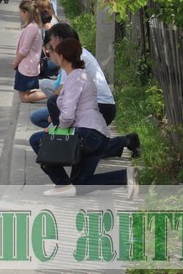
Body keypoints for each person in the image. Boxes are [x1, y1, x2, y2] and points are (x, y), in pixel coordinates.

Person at [29, 38, 139, 197]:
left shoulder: (75, 78)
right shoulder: (80, 75)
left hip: (86, 135)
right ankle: (126, 177)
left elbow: (67, 116)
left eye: (55, 53)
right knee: (80, 186)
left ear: (62, 57)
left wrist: (56, 129)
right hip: (97, 135)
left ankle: (62, 185)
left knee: (36, 140)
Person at [13, 0, 43, 102]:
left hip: (27, 65)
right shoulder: (34, 26)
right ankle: (52, 92)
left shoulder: (31, 28)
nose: (20, 14)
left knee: (24, 97)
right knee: (24, 95)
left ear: (26, 13)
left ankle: (52, 92)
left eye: (21, 12)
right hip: (29, 64)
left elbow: (24, 49)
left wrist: (15, 62)